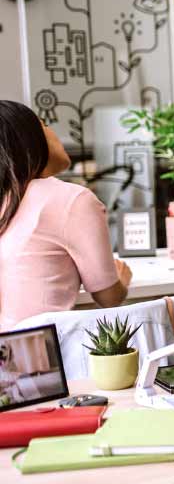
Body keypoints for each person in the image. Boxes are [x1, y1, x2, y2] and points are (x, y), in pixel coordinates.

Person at [0, 100, 131, 329]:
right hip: (39, 356)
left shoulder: (8, 199)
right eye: (45, 125)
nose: (54, 133)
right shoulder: (70, 199)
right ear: (29, 140)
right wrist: (121, 280)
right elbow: (108, 297)